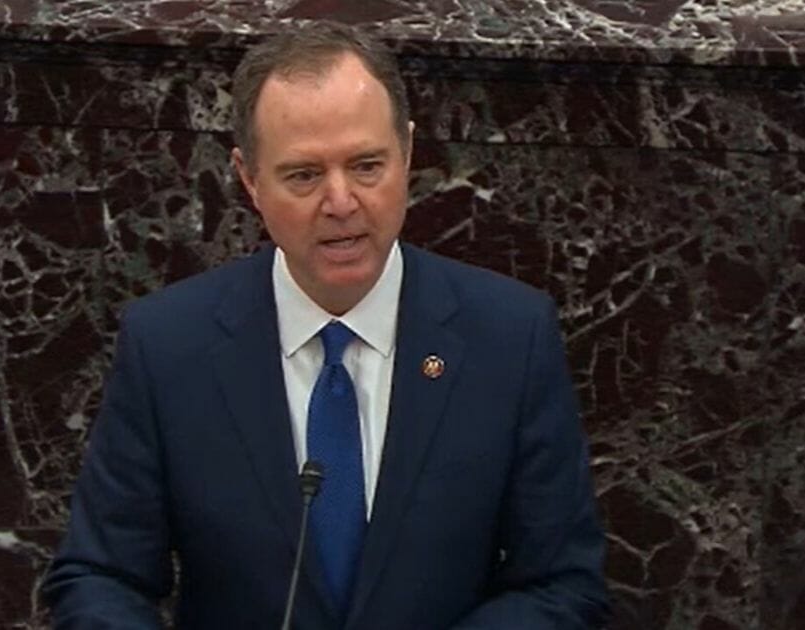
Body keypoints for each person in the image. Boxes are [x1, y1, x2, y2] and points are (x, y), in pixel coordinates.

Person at [43, 22, 608, 629]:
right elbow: (100, 577)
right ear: (248, 179)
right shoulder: (170, 346)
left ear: (409, 153)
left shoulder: (509, 337)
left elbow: (562, 584)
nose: (341, 202)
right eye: (304, 176)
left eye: (367, 166)